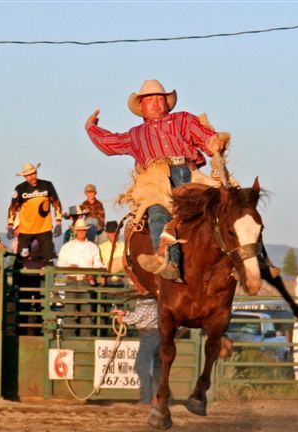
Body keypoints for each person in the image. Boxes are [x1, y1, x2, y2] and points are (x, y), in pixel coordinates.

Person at [85, 79, 230, 281]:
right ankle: (167, 260)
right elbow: (111, 143)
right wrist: (91, 128)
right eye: (149, 99)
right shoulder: (135, 134)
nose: (155, 102)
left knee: (229, 203)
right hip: (155, 178)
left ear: (167, 103)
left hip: (190, 171)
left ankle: (247, 261)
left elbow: (206, 139)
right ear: (141, 106)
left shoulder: (184, 120)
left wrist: (214, 142)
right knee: (157, 211)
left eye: (159, 98)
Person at [7, 162, 63, 265]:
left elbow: (56, 203)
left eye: (34, 173)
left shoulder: (47, 185)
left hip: (44, 228)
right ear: (24, 176)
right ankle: (18, 280)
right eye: (29, 175)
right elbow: (12, 208)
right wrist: (10, 225)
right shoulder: (20, 189)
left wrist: (58, 222)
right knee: (21, 257)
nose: (33, 177)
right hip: (26, 229)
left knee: (48, 258)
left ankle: (48, 280)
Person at [57, 218, 105, 336]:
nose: (82, 232)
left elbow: (97, 264)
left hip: (86, 281)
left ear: (86, 231)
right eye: (80, 230)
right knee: (69, 311)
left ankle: (86, 337)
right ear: (75, 231)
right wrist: (69, 267)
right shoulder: (67, 247)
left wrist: (93, 273)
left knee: (86, 312)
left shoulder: (93, 247)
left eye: (83, 230)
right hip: (71, 280)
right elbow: (60, 265)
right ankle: (69, 337)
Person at [112, 297, 161, 406]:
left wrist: (121, 318)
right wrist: (125, 313)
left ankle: (146, 399)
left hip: (149, 336)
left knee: (141, 367)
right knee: (150, 367)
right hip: (152, 335)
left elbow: (135, 319)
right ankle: (155, 397)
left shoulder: (146, 303)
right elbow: (138, 315)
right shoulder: (151, 302)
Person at [98, 221, 125, 286]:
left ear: (118, 233)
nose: (114, 235)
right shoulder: (100, 247)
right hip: (107, 279)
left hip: (123, 279)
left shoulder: (125, 246)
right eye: (111, 232)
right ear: (107, 234)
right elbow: (98, 264)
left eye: (116, 232)